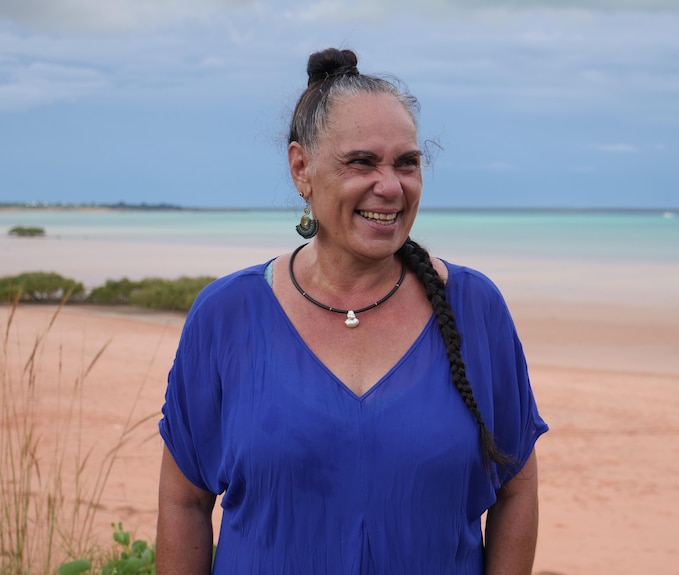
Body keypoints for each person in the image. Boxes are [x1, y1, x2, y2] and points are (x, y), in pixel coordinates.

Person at [156, 47, 548, 574]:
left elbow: (517, 488)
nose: (390, 187)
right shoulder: (226, 316)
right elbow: (185, 502)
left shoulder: (476, 309)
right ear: (302, 169)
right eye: (362, 162)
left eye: (406, 163)